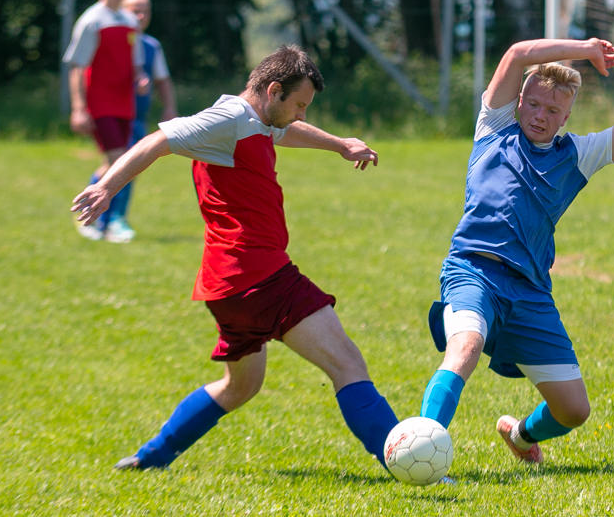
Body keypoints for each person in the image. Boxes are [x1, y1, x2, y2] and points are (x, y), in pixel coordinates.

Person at [71, 45, 399, 471]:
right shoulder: (226, 119)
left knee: (240, 386)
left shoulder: (259, 120)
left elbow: (285, 132)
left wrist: (339, 145)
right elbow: (157, 141)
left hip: (228, 284)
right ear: (273, 89)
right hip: (259, 276)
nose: (301, 115)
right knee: (347, 362)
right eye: (299, 104)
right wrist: (106, 188)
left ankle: (149, 458)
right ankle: (402, 458)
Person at [419, 2, 614, 464]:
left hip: (530, 290)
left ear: (566, 118)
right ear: (519, 101)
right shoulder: (494, 128)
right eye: (532, 103)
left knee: (573, 410)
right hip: (473, 270)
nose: (539, 115)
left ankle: (522, 435)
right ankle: (421, 442)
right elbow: (518, 53)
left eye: (553, 110)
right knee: (464, 346)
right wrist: (586, 48)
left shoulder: (577, 155)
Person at [63, 0, 145, 243]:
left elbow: (134, 66)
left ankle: (96, 217)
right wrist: (78, 108)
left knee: (115, 161)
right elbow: (77, 66)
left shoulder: (130, 21)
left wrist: (141, 79)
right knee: (118, 160)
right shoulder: (92, 20)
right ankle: (99, 221)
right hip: (101, 103)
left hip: (125, 103)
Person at [103, 0, 179, 242]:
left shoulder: (150, 46)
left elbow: (163, 80)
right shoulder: (110, 40)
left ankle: (102, 217)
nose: (141, 15)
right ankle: (113, 219)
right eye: (135, 9)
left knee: (120, 165)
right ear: (121, 11)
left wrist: (169, 107)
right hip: (111, 115)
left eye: (146, 9)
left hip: (136, 118)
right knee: (124, 164)